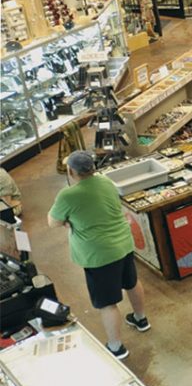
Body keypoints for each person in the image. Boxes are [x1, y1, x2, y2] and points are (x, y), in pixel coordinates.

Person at [47, 151, 149, 359]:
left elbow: (53, 222)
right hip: (123, 243)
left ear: (72, 171)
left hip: (98, 254)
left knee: (107, 303)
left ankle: (116, 346)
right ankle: (141, 319)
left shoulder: (68, 195)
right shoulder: (105, 181)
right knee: (131, 282)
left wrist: (69, 221)